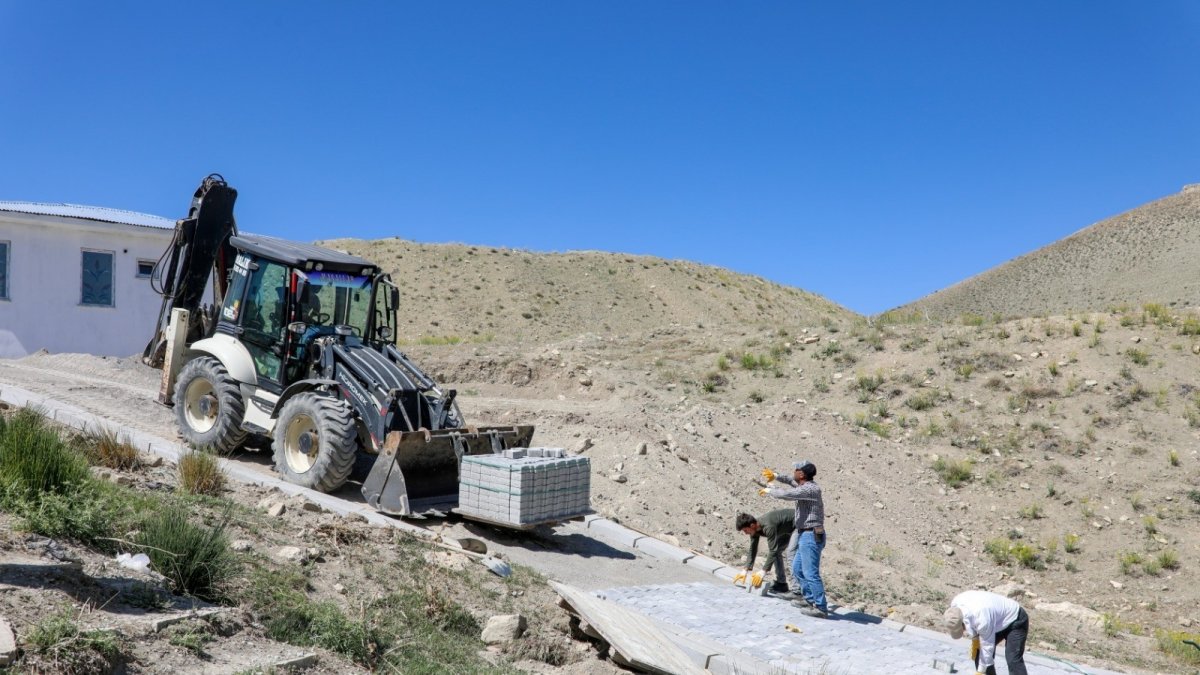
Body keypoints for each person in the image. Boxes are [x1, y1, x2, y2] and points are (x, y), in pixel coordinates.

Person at [760, 460, 828, 618]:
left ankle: (821, 607)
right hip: (805, 533)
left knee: (811, 573)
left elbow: (788, 494)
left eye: (796, 470)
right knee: (798, 568)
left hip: (812, 535)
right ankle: (808, 598)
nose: (794, 472)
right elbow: (791, 482)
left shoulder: (811, 490)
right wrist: (776, 476)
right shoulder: (805, 486)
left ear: (802, 474)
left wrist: (770, 490)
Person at [943, 590, 1029, 675]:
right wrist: (975, 640)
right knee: (979, 652)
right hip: (995, 620)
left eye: (962, 629)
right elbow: (972, 622)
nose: (964, 631)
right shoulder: (954, 608)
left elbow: (987, 647)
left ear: (963, 622)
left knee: (1013, 658)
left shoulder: (981, 619)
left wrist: (981, 671)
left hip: (1016, 619)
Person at [734, 509, 796, 594]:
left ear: (752, 525)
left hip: (798, 524)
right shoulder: (754, 529)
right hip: (784, 529)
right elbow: (753, 548)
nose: (745, 533)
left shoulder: (768, 526)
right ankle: (782, 584)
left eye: (745, 530)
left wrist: (763, 571)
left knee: (791, 554)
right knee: (777, 552)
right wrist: (745, 570)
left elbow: (772, 550)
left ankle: (798, 590)